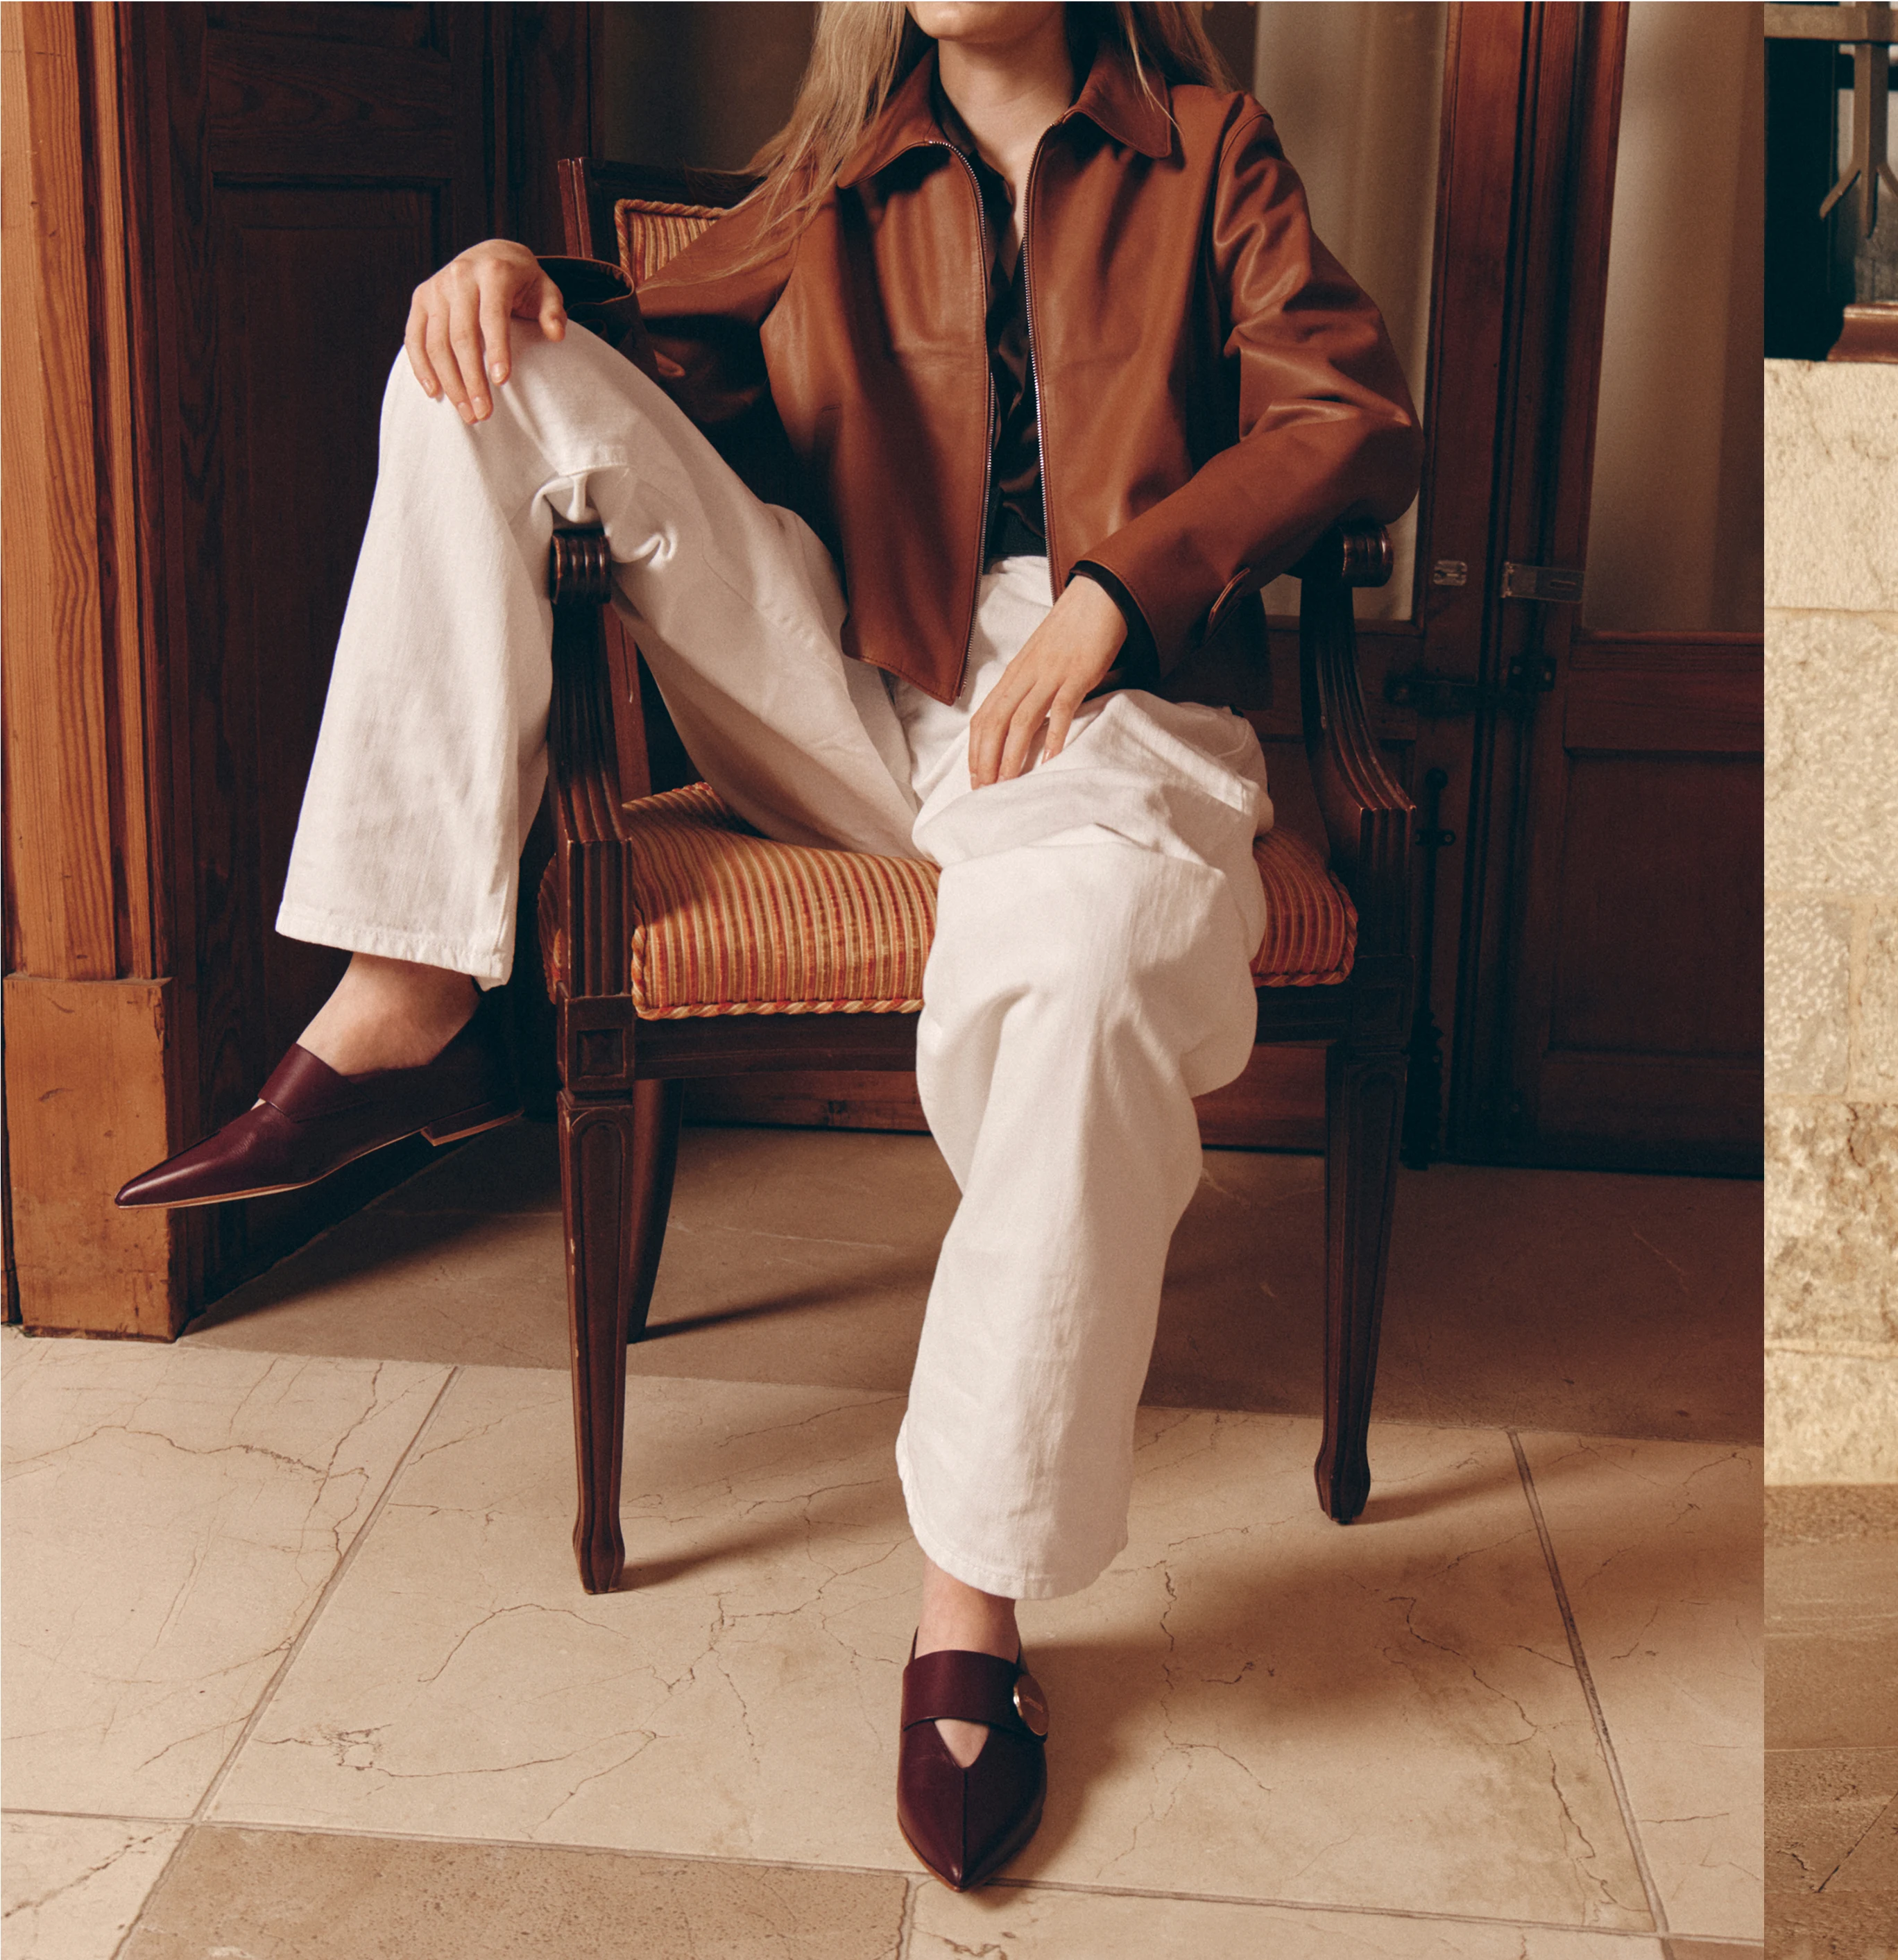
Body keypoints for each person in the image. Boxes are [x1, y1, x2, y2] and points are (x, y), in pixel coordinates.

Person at [110, 0, 1417, 1890]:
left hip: (1100, 715)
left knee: (1081, 950)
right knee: (462, 361)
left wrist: (1117, 597)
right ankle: (405, 990)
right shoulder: (837, 171)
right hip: (848, 691)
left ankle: (970, 1601)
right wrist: (510, 272)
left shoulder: (1209, 153)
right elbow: (618, 362)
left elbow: (1347, 413)